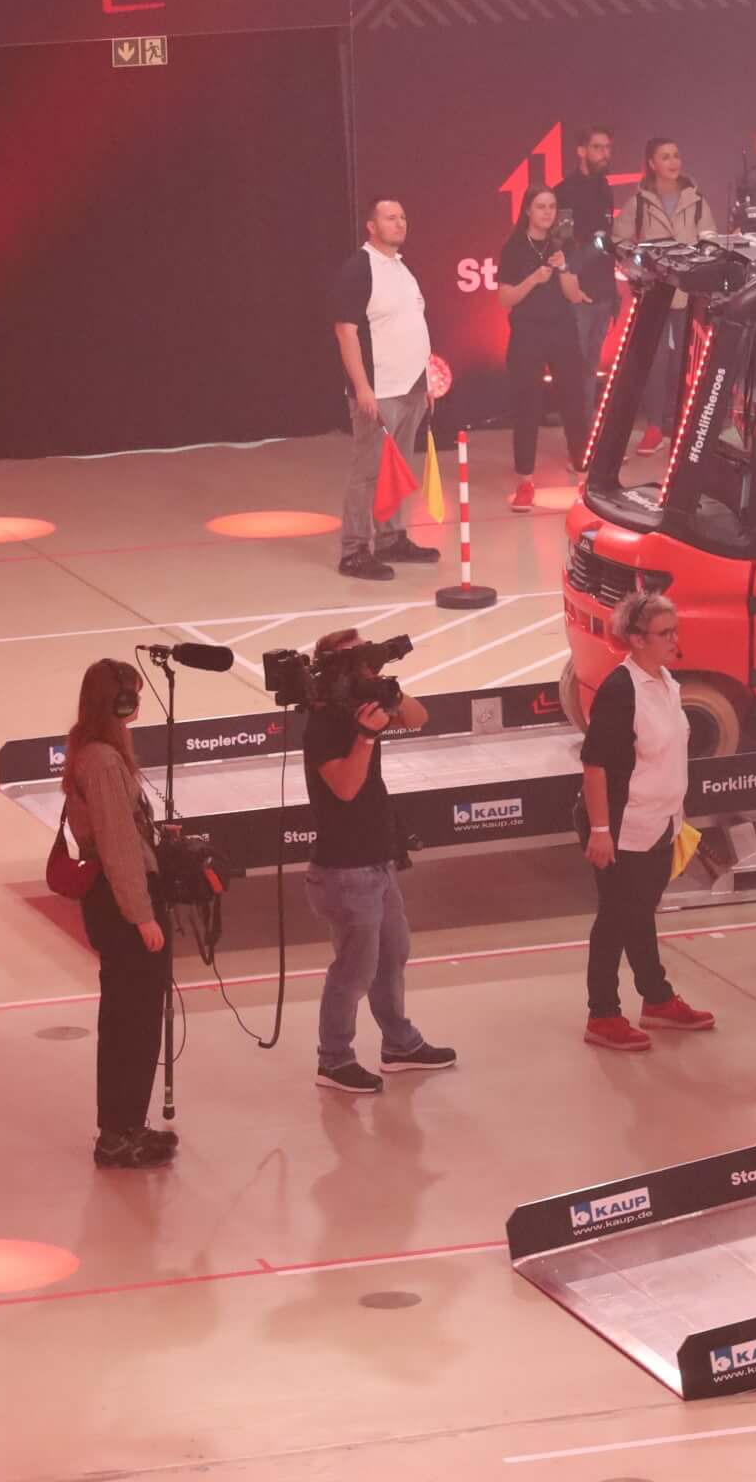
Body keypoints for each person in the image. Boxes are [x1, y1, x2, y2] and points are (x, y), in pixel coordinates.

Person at [300, 636, 456, 1094]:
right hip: (345, 870)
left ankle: (400, 1044)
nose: (372, 665)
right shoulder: (326, 723)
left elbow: (418, 717)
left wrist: (389, 692)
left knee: (392, 956)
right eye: (361, 660)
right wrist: (366, 737)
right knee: (354, 969)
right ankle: (333, 1059)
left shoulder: (361, 704)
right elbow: (346, 788)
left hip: (378, 862)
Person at [579, 591, 718, 1049]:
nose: (674, 640)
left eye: (676, 631)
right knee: (616, 919)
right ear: (636, 639)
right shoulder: (621, 690)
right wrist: (602, 832)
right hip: (621, 827)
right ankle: (602, 1014)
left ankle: (656, 998)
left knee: (639, 914)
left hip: (661, 822)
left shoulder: (666, 683)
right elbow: (596, 764)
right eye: (664, 633)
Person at [60, 660, 175, 1170]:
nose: (138, 704)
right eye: (132, 695)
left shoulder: (93, 751)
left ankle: (127, 1124)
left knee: (130, 1020)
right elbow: (118, 846)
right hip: (123, 904)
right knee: (134, 1022)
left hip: (115, 901)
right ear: (117, 702)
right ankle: (118, 1133)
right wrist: (142, 916)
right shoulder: (104, 762)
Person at [330, 195, 444, 583]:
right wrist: (361, 387)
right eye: (390, 218)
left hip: (410, 386)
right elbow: (346, 331)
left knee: (396, 468)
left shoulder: (401, 268)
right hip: (379, 389)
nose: (400, 223)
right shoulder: (360, 268)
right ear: (372, 226)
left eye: (403, 217)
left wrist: (425, 378)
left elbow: (413, 325)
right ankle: (355, 549)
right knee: (368, 471)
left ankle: (391, 537)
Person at [496, 185, 598, 513]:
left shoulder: (563, 244)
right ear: (527, 210)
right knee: (527, 406)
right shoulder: (514, 247)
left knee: (574, 402)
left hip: (562, 332)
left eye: (551, 207)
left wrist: (564, 268)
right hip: (527, 334)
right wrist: (533, 279)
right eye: (540, 206)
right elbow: (504, 299)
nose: (547, 213)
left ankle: (585, 477)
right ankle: (525, 481)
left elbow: (571, 294)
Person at [620, 139, 713, 453]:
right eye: (665, 156)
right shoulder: (640, 202)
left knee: (686, 363)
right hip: (655, 294)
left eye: (676, 155)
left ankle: (684, 427)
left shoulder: (697, 199)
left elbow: (710, 241)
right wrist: (638, 268)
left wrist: (703, 266)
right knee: (654, 363)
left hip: (689, 293)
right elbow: (619, 242)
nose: (673, 162)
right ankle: (655, 428)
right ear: (651, 163)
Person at [559, 125, 621, 377]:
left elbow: (606, 239)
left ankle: (584, 417)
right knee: (575, 365)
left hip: (604, 290)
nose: (604, 154)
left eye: (608, 148)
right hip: (579, 294)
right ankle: (576, 417)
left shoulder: (606, 189)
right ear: (581, 151)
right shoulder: (564, 191)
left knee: (592, 366)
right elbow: (562, 242)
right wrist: (570, 283)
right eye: (597, 147)